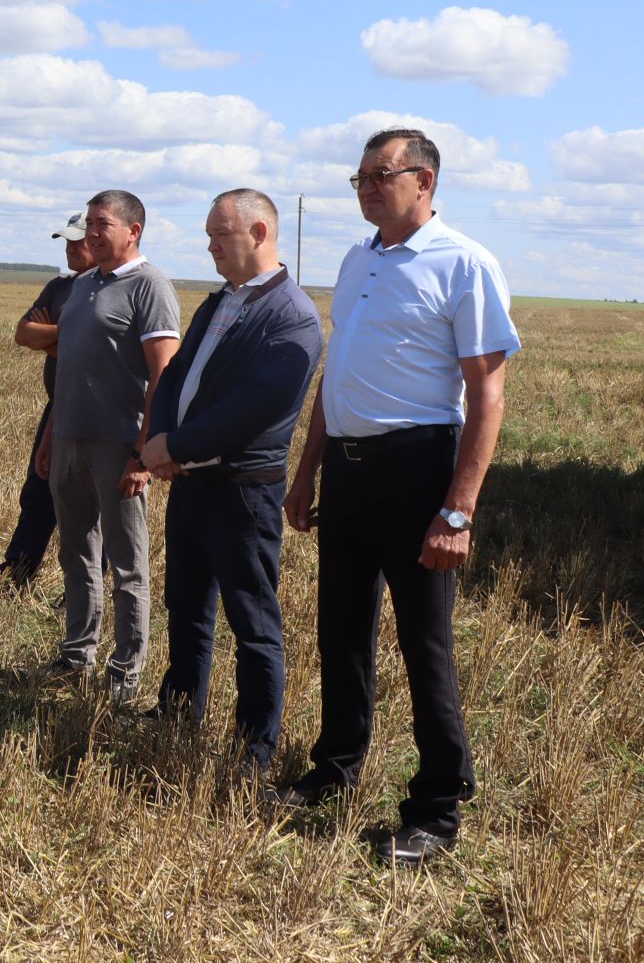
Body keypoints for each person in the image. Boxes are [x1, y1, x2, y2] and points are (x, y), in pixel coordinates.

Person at [276, 128, 520, 866]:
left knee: (425, 644)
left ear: (426, 181)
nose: (366, 188)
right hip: (349, 470)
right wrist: (308, 468)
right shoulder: (358, 261)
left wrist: (457, 510)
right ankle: (336, 770)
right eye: (359, 179)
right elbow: (337, 375)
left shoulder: (465, 264)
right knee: (341, 631)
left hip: (418, 470)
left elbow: (487, 394)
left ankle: (437, 809)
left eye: (379, 176)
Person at [139, 190, 322, 771]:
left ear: (261, 232)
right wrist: (161, 441)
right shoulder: (219, 301)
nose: (210, 245)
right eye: (210, 235)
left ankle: (254, 747)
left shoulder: (292, 316)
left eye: (221, 234)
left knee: (253, 621)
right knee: (186, 605)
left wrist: (175, 446)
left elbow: (254, 409)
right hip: (192, 483)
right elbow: (173, 377)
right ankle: (178, 708)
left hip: (243, 491)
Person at [38, 189, 180, 701]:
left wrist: (144, 454)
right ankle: (77, 656)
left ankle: (125, 675)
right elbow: (69, 368)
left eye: (101, 224)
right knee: (76, 556)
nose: (91, 234)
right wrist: (53, 432)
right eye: (89, 225)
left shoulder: (150, 286)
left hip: (118, 446)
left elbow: (164, 375)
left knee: (127, 567)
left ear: (132, 231)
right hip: (71, 437)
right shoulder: (82, 286)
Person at [0, 213, 96, 587]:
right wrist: (69, 337)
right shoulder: (59, 287)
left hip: (97, 411)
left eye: (77, 241)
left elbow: (95, 345)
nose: (70, 248)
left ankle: (83, 590)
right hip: (58, 406)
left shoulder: (108, 289)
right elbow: (24, 334)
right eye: (66, 241)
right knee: (37, 491)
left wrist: (54, 338)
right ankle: (18, 571)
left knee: (89, 507)